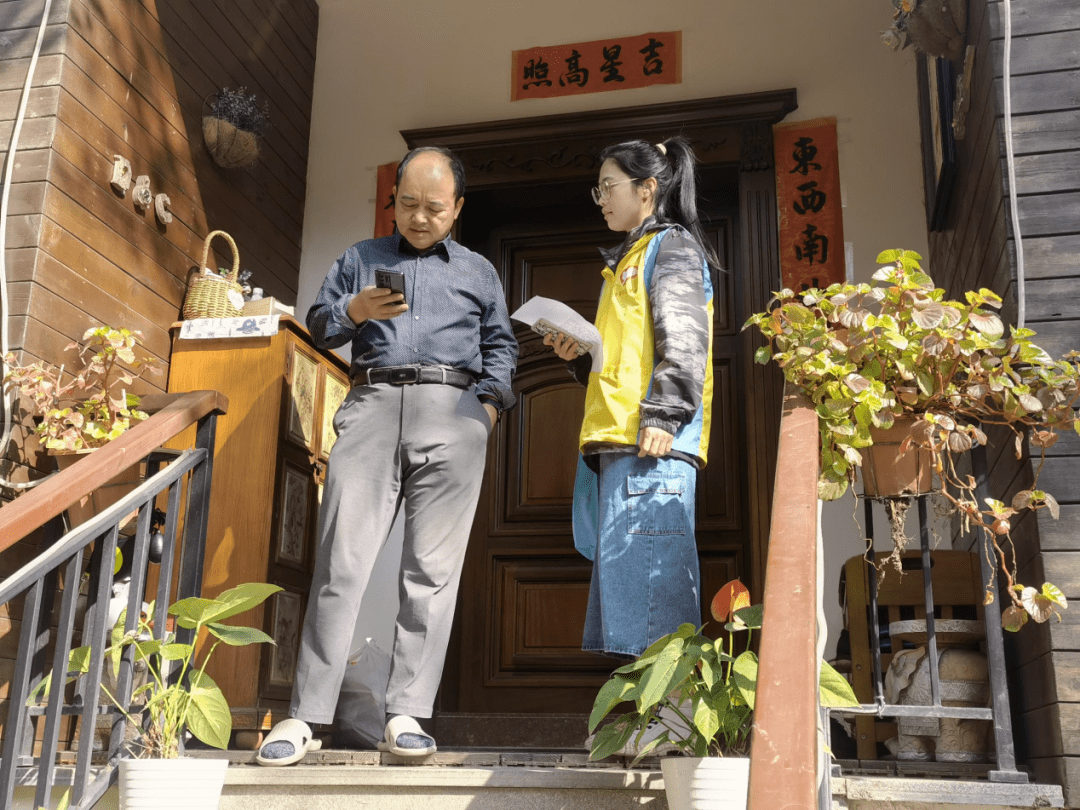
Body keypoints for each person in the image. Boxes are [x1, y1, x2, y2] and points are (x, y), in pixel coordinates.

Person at [257, 146, 518, 766]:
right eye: (407, 205)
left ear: (456, 208)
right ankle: (307, 716)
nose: (419, 218)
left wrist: (485, 412)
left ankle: (405, 713)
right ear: (391, 201)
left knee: (430, 572)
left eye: (433, 208)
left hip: (454, 413)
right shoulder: (360, 259)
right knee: (340, 563)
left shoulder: (479, 271)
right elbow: (320, 326)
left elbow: (501, 347)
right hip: (373, 403)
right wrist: (355, 309)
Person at [546, 135, 717, 660]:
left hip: (651, 445)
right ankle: (653, 729)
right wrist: (578, 355)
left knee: (653, 599)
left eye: (608, 187)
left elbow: (686, 340)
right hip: (628, 443)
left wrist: (665, 414)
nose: (601, 200)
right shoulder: (629, 258)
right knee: (636, 596)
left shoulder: (672, 247)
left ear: (647, 189)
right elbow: (622, 361)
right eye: (597, 189)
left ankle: (669, 732)